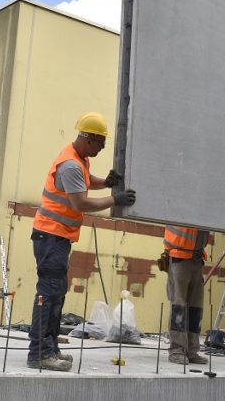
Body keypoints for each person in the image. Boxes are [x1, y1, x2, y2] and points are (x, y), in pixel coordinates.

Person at [27, 112, 137, 372]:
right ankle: (39, 353)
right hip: (51, 236)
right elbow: (82, 203)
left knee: (56, 293)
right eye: (101, 142)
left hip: (57, 237)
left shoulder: (79, 159)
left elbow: (85, 183)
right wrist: (115, 199)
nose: (103, 147)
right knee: (49, 293)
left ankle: (49, 348)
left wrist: (105, 183)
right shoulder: (72, 165)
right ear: (89, 139)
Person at [163, 225, 211, 365]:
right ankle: (176, 350)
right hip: (179, 256)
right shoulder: (182, 205)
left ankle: (191, 351)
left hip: (197, 257)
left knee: (195, 308)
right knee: (179, 306)